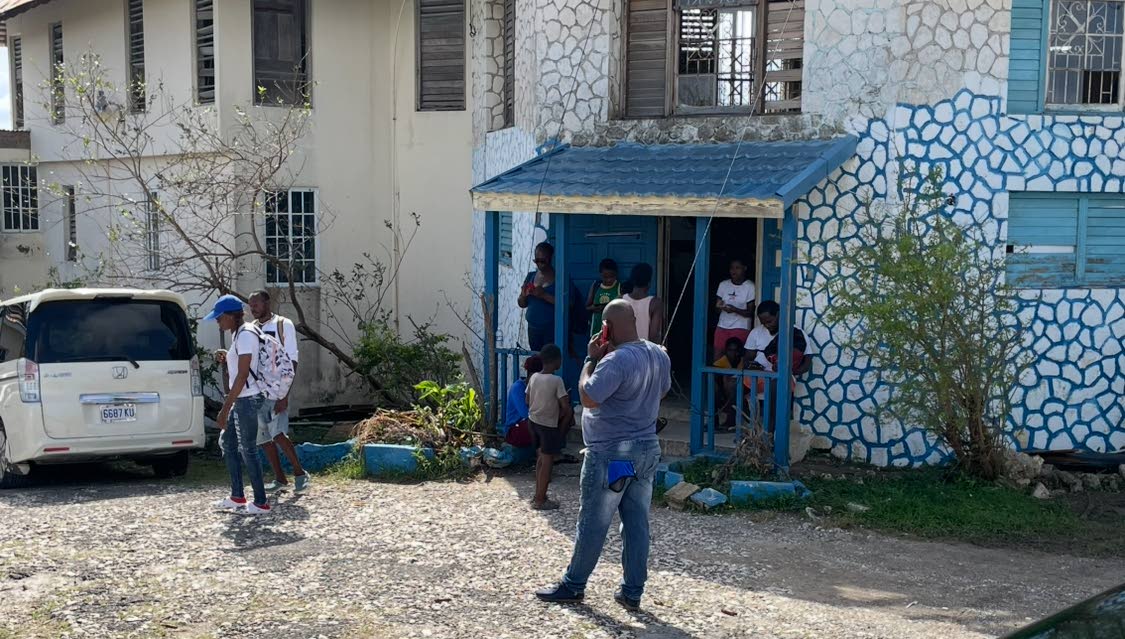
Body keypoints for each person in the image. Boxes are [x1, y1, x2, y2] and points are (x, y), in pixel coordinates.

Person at [536, 299, 671, 611]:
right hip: (646, 450)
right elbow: (662, 390)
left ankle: (573, 585)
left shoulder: (615, 361)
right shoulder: (657, 354)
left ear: (606, 327)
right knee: (637, 523)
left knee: (594, 521)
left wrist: (589, 360)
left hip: (613, 454)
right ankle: (632, 591)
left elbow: (589, 396)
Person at [208, 295, 272, 515]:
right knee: (228, 443)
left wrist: (225, 408)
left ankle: (261, 502)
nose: (217, 322)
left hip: (248, 399)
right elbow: (243, 364)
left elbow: (243, 374)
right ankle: (237, 496)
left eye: (218, 318)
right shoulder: (240, 335)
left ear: (228, 316)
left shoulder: (245, 335)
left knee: (248, 449)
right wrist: (229, 356)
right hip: (243, 398)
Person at [248, 291, 310, 494]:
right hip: (258, 391)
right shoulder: (253, 329)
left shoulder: (283, 324)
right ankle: (280, 479)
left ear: (267, 303)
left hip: (277, 390)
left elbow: (292, 360)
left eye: (256, 303)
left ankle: (300, 473)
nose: (253, 308)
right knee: (263, 438)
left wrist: (284, 394)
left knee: (279, 435)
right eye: (250, 305)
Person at [743, 300, 812, 432]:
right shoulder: (756, 332)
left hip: (783, 377)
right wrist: (752, 366)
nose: (767, 326)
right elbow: (747, 358)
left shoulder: (796, 333)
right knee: (733, 385)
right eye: (763, 323)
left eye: (769, 321)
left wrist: (789, 369)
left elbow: (807, 363)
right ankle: (747, 425)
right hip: (759, 375)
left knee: (775, 387)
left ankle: (770, 431)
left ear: (779, 315)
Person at [526, 344, 572, 511]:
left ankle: (538, 494)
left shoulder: (534, 377)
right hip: (547, 425)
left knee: (540, 458)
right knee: (547, 462)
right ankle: (540, 499)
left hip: (533, 422)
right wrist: (559, 416)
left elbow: (527, 399)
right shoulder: (556, 380)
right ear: (556, 361)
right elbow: (565, 406)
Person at [713, 258, 756, 362]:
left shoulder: (750, 286)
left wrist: (734, 310)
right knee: (718, 357)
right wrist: (720, 307)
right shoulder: (723, 285)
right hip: (722, 326)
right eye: (732, 268)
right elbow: (717, 309)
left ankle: (736, 379)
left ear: (744, 268)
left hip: (741, 327)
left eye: (737, 268)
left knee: (737, 358)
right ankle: (719, 379)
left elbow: (750, 313)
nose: (734, 271)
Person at [519, 242, 559, 351]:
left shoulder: (559, 278)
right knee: (536, 360)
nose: (540, 264)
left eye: (543, 261)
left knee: (550, 361)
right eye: (537, 261)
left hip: (551, 329)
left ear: (550, 258)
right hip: (533, 329)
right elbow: (522, 304)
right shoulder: (531, 276)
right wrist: (523, 295)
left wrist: (544, 295)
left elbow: (567, 304)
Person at [502, 355, 542, 448]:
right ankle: (539, 451)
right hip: (515, 428)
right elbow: (525, 414)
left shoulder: (539, 386)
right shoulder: (518, 388)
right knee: (535, 422)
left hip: (531, 423)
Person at [621, 263, 664, 343]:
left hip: (623, 350)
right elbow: (654, 335)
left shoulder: (620, 300)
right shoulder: (655, 303)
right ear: (649, 282)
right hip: (644, 350)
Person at [712, 336, 747, 431]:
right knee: (713, 389)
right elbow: (715, 379)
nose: (733, 353)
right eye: (730, 350)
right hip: (725, 394)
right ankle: (713, 422)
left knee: (734, 387)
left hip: (743, 393)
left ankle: (731, 422)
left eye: (735, 350)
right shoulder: (721, 362)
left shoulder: (744, 362)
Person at [586, 258, 621, 337]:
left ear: (616, 274)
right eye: (605, 277)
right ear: (600, 274)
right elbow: (586, 307)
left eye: (611, 276)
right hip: (597, 327)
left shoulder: (619, 287)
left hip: (614, 328)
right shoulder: (596, 286)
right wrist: (594, 308)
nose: (608, 280)